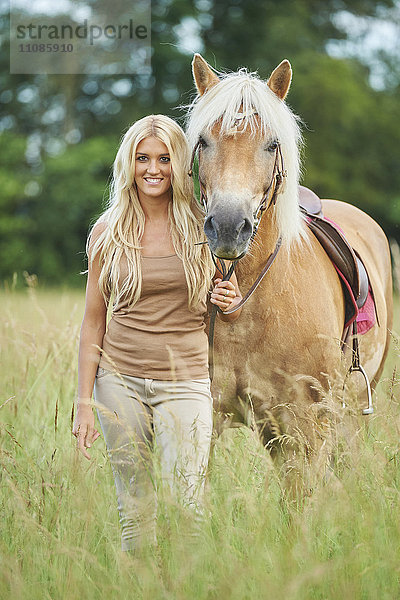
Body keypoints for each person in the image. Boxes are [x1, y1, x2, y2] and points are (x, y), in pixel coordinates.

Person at [72, 114, 242, 553]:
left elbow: (228, 309)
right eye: (143, 158)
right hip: (119, 385)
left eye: (165, 158)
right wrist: (84, 404)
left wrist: (232, 303)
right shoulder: (107, 233)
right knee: (136, 516)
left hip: (184, 384)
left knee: (188, 511)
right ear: (128, 163)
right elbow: (94, 322)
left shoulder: (204, 228)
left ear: (180, 164)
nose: (153, 169)